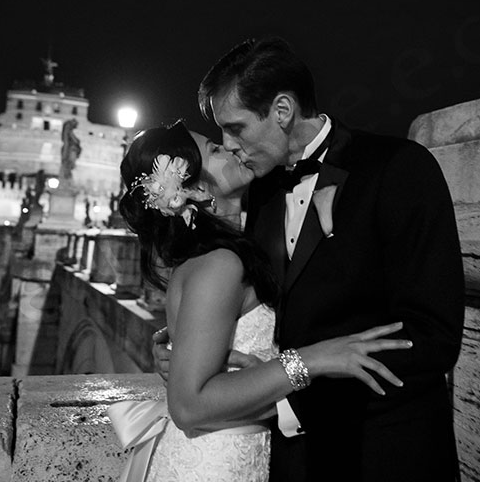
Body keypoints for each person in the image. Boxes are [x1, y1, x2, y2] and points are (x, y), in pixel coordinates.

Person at [156, 35, 466, 481]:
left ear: (282, 110)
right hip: (291, 464)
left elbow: (432, 337)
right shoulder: (261, 191)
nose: (228, 144)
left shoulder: (400, 169)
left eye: (236, 127)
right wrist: (183, 349)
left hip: (382, 455)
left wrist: (285, 397)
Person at [107, 120, 413, 482]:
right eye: (213, 150)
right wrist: (311, 360)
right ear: (192, 185)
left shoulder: (225, 251)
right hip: (214, 465)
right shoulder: (219, 263)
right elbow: (188, 405)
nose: (228, 145)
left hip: (239, 455)